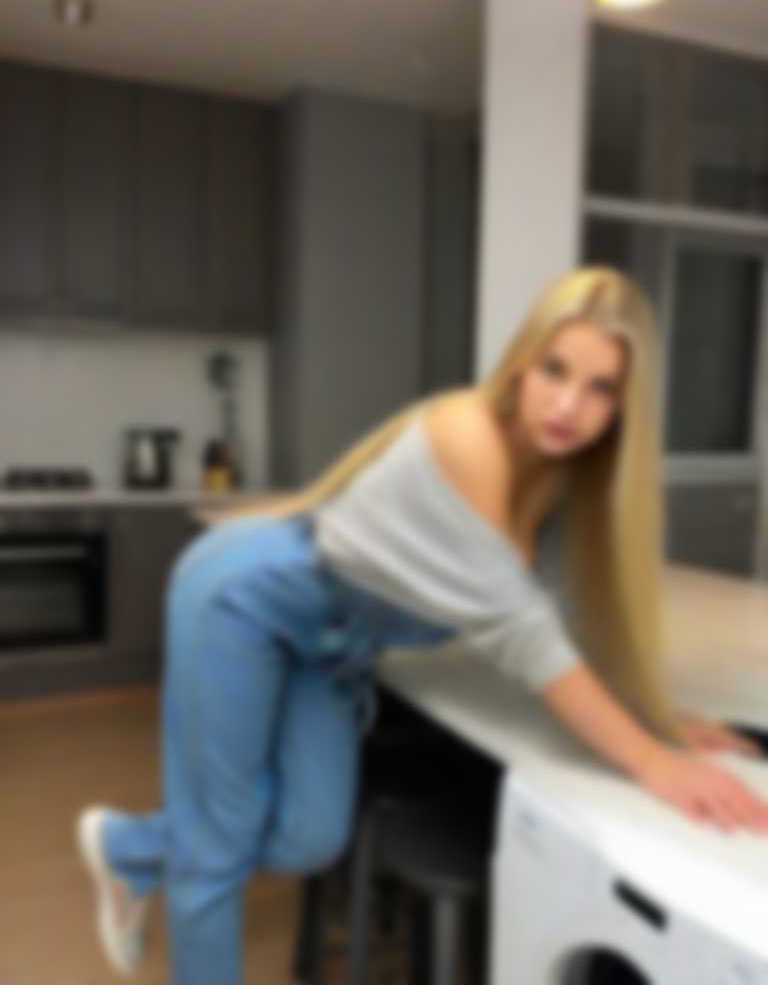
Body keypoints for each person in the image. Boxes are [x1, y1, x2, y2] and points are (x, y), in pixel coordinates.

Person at [76, 267, 768, 983]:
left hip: (334, 648)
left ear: (626, 407)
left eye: (601, 388)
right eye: (555, 370)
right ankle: (172, 857)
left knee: (311, 840)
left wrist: (656, 715)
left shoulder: (565, 484)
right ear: (523, 362)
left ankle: (131, 849)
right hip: (245, 596)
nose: (568, 404)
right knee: (216, 852)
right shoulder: (468, 435)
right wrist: (652, 762)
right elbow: (524, 635)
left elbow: (573, 623)